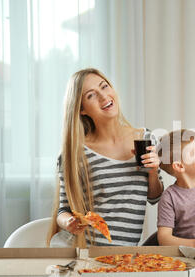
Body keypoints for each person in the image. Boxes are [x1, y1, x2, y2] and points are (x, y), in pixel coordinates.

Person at [46, 68, 163, 248]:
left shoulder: (144, 138)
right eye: (91, 95)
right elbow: (63, 210)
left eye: (105, 86)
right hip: (89, 253)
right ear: (81, 109)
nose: (103, 97)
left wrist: (153, 172)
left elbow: (154, 198)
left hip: (125, 257)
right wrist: (69, 222)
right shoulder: (76, 153)